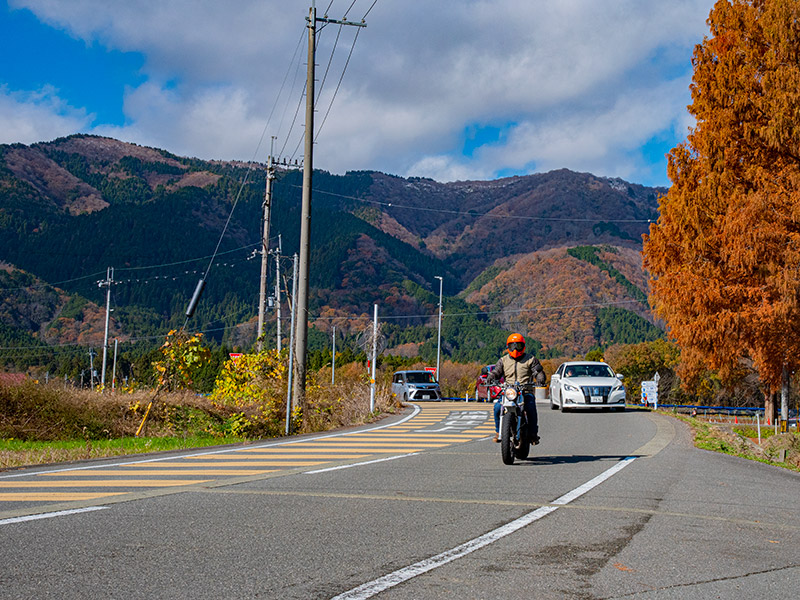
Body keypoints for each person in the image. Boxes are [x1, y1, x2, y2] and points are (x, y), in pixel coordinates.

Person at [489, 333, 546, 445]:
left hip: (525, 391)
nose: (515, 349)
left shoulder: (531, 359)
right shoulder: (503, 360)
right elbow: (497, 371)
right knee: (497, 407)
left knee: (530, 408)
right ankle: (498, 431)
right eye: (512, 346)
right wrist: (491, 377)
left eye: (518, 346)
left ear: (523, 346)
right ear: (508, 347)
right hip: (509, 392)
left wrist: (540, 378)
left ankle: (533, 435)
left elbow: (537, 371)